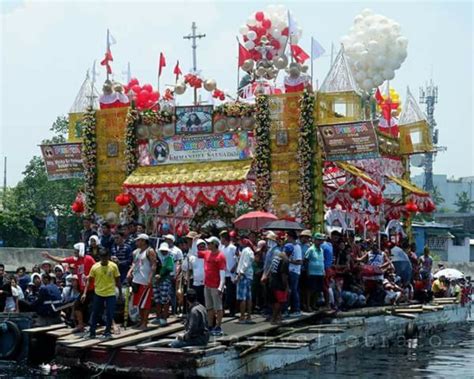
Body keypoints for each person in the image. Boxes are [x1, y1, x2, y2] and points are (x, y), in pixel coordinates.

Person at [43, 242, 95, 333]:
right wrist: (50, 257)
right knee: (77, 306)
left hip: (93, 288)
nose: (74, 253)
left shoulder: (89, 259)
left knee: (99, 307)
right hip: (83, 289)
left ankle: (109, 324)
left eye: (76, 251)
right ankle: (80, 325)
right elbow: (62, 260)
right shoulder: (75, 260)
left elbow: (96, 268)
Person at [82, 250, 121, 339]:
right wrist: (84, 293)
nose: (104, 260)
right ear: (100, 258)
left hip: (110, 293)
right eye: (102, 258)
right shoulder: (95, 267)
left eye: (106, 258)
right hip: (98, 293)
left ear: (108, 257)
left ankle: (107, 332)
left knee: (110, 313)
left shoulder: (113, 266)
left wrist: (121, 294)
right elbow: (89, 280)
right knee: (95, 313)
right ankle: (92, 333)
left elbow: (118, 280)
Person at [127, 234, 157, 329]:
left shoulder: (150, 251)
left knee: (145, 303)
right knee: (138, 302)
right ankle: (141, 321)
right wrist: (130, 272)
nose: (137, 242)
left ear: (144, 241)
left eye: (138, 240)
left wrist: (150, 278)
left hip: (145, 280)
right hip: (136, 279)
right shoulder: (136, 252)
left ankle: (145, 322)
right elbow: (134, 264)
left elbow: (153, 265)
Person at [198, 236, 226, 336]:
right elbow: (194, 252)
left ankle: (218, 326)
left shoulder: (220, 256)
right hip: (207, 284)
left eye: (209, 243)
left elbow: (222, 273)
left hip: (215, 285)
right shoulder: (207, 253)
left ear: (214, 244)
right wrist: (194, 240)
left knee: (218, 307)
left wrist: (221, 286)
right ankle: (210, 326)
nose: (207, 245)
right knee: (209, 307)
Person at [154, 243, 174, 327]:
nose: (163, 252)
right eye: (162, 250)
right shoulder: (157, 258)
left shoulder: (169, 258)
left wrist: (160, 275)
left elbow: (169, 268)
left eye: (165, 251)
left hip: (165, 280)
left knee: (165, 300)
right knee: (157, 299)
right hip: (156, 281)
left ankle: (164, 318)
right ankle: (158, 317)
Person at [269, 244, 290, 325]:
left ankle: (279, 318)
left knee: (275, 301)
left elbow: (271, 268)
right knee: (279, 302)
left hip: (272, 281)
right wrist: (286, 286)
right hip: (279, 283)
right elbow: (283, 275)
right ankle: (274, 319)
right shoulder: (285, 260)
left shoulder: (277, 256)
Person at [304, 233, 326, 310]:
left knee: (318, 290)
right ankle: (308, 305)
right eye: (318, 240)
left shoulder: (322, 250)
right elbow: (306, 261)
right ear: (314, 240)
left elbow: (322, 261)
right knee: (310, 290)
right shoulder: (310, 249)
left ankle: (313, 305)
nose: (320, 242)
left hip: (320, 273)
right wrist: (307, 271)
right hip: (312, 272)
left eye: (321, 240)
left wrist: (323, 271)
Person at [235, 238, 255, 324]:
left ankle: (242, 316)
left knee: (242, 297)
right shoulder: (249, 251)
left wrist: (240, 274)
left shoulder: (245, 251)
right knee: (248, 297)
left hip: (244, 275)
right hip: (249, 275)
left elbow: (245, 263)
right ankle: (249, 315)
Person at [163, 234, 183, 316]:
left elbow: (180, 262)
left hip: (174, 273)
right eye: (166, 239)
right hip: (166, 273)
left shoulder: (177, 250)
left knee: (175, 293)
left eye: (168, 239)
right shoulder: (163, 249)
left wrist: (177, 273)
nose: (166, 241)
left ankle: (175, 309)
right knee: (167, 293)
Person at [182, 239, 206, 305]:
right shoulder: (192, 258)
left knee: (205, 301)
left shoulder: (208, 256)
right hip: (196, 283)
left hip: (206, 283)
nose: (202, 248)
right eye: (200, 246)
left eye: (203, 246)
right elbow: (185, 267)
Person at [220, 231, 237, 317]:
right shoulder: (222, 248)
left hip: (231, 274)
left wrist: (235, 267)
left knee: (231, 293)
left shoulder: (232, 248)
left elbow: (238, 257)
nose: (220, 240)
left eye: (221, 238)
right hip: (224, 273)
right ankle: (224, 309)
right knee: (223, 292)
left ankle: (232, 310)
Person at [286, 230, 302, 317]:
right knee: (290, 290)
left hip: (294, 271)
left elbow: (299, 261)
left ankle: (296, 309)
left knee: (293, 290)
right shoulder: (289, 246)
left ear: (291, 237)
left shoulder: (297, 247)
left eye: (287, 236)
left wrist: (289, 260)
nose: (286, 238)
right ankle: (291, 308)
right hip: (289, 271)